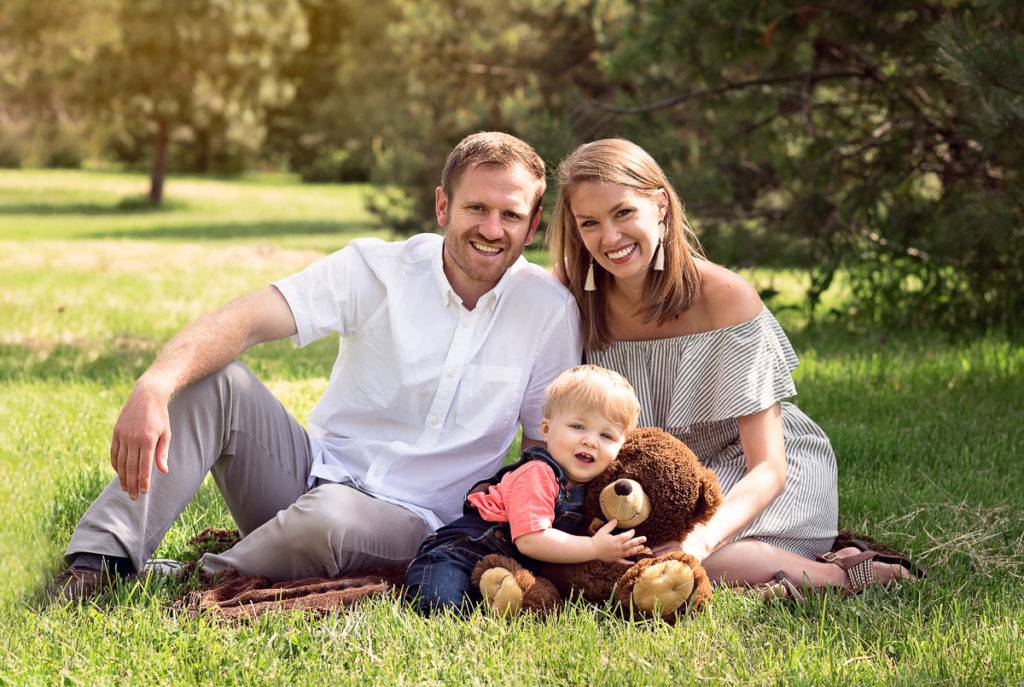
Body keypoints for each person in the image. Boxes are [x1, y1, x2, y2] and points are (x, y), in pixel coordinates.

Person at [52, 131, 583, 601]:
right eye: (477, 209)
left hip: (417, 520)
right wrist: (154, 385)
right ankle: (100, 563)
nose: (492, 229)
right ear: (443, 206)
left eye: (511, 215)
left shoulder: (547, 310)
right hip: (310, 471)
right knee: (214, 380)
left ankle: (202, 575)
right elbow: (243, 320)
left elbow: (543, 450)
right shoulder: (376, 269)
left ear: (533, 224)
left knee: (331, 516)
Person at [546, 138, 924, 598]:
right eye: (590, 223)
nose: (609, 238)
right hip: (639, 480)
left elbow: (769, 466)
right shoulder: (569, 294)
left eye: (623, 213)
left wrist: (695, 542)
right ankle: (764, 577)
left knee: (665, 554)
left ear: (660, 205)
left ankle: (839, 575)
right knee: (599, 555)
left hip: (747, 469)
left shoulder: (725, 297)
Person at [404, 364, 646, 614]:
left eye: (607, 435)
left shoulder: (596, 490)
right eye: (578, 426)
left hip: (504, 571)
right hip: (459, 557)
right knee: (439, 606)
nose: (590, 440)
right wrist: (594, 548)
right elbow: (531, 541)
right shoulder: (538, 473)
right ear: (545, 430)